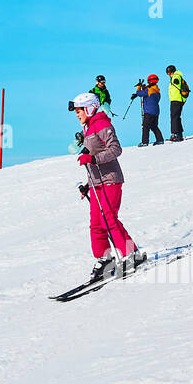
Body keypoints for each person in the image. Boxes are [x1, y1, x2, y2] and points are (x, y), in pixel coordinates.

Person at [70, 92, 145, 280]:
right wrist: (87, 185)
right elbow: (92, 159)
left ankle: (133, 255)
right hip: (97, 183)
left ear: (89, 108)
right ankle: (105, 259)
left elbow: (115, 149)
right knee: (96, 223)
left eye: (79, 111)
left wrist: (93, 159)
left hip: (111, 179)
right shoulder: (88, 129)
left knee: (108, 219)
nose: (77, 115)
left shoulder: (102, 124)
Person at [130, 74, 164, 146]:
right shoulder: (157, 90)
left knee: (145, 126)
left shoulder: (149, 90)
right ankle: (160, 140)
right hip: (156, 111)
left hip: (148, 111)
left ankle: (145, 142)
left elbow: (139, 93)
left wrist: (139, 87)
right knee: (154, 126)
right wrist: (144, 88)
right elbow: (147, 94)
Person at [165, 64, 190, 141]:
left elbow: (176, 82)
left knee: (174, 117)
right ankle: (179, 134)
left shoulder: (176, 77)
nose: (168, 74)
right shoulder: (176, 76)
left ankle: (175, 134)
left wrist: (175, 81)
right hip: (177, 99)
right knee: (177, 117)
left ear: (170, 71)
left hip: (176, 99)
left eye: (168, 72)